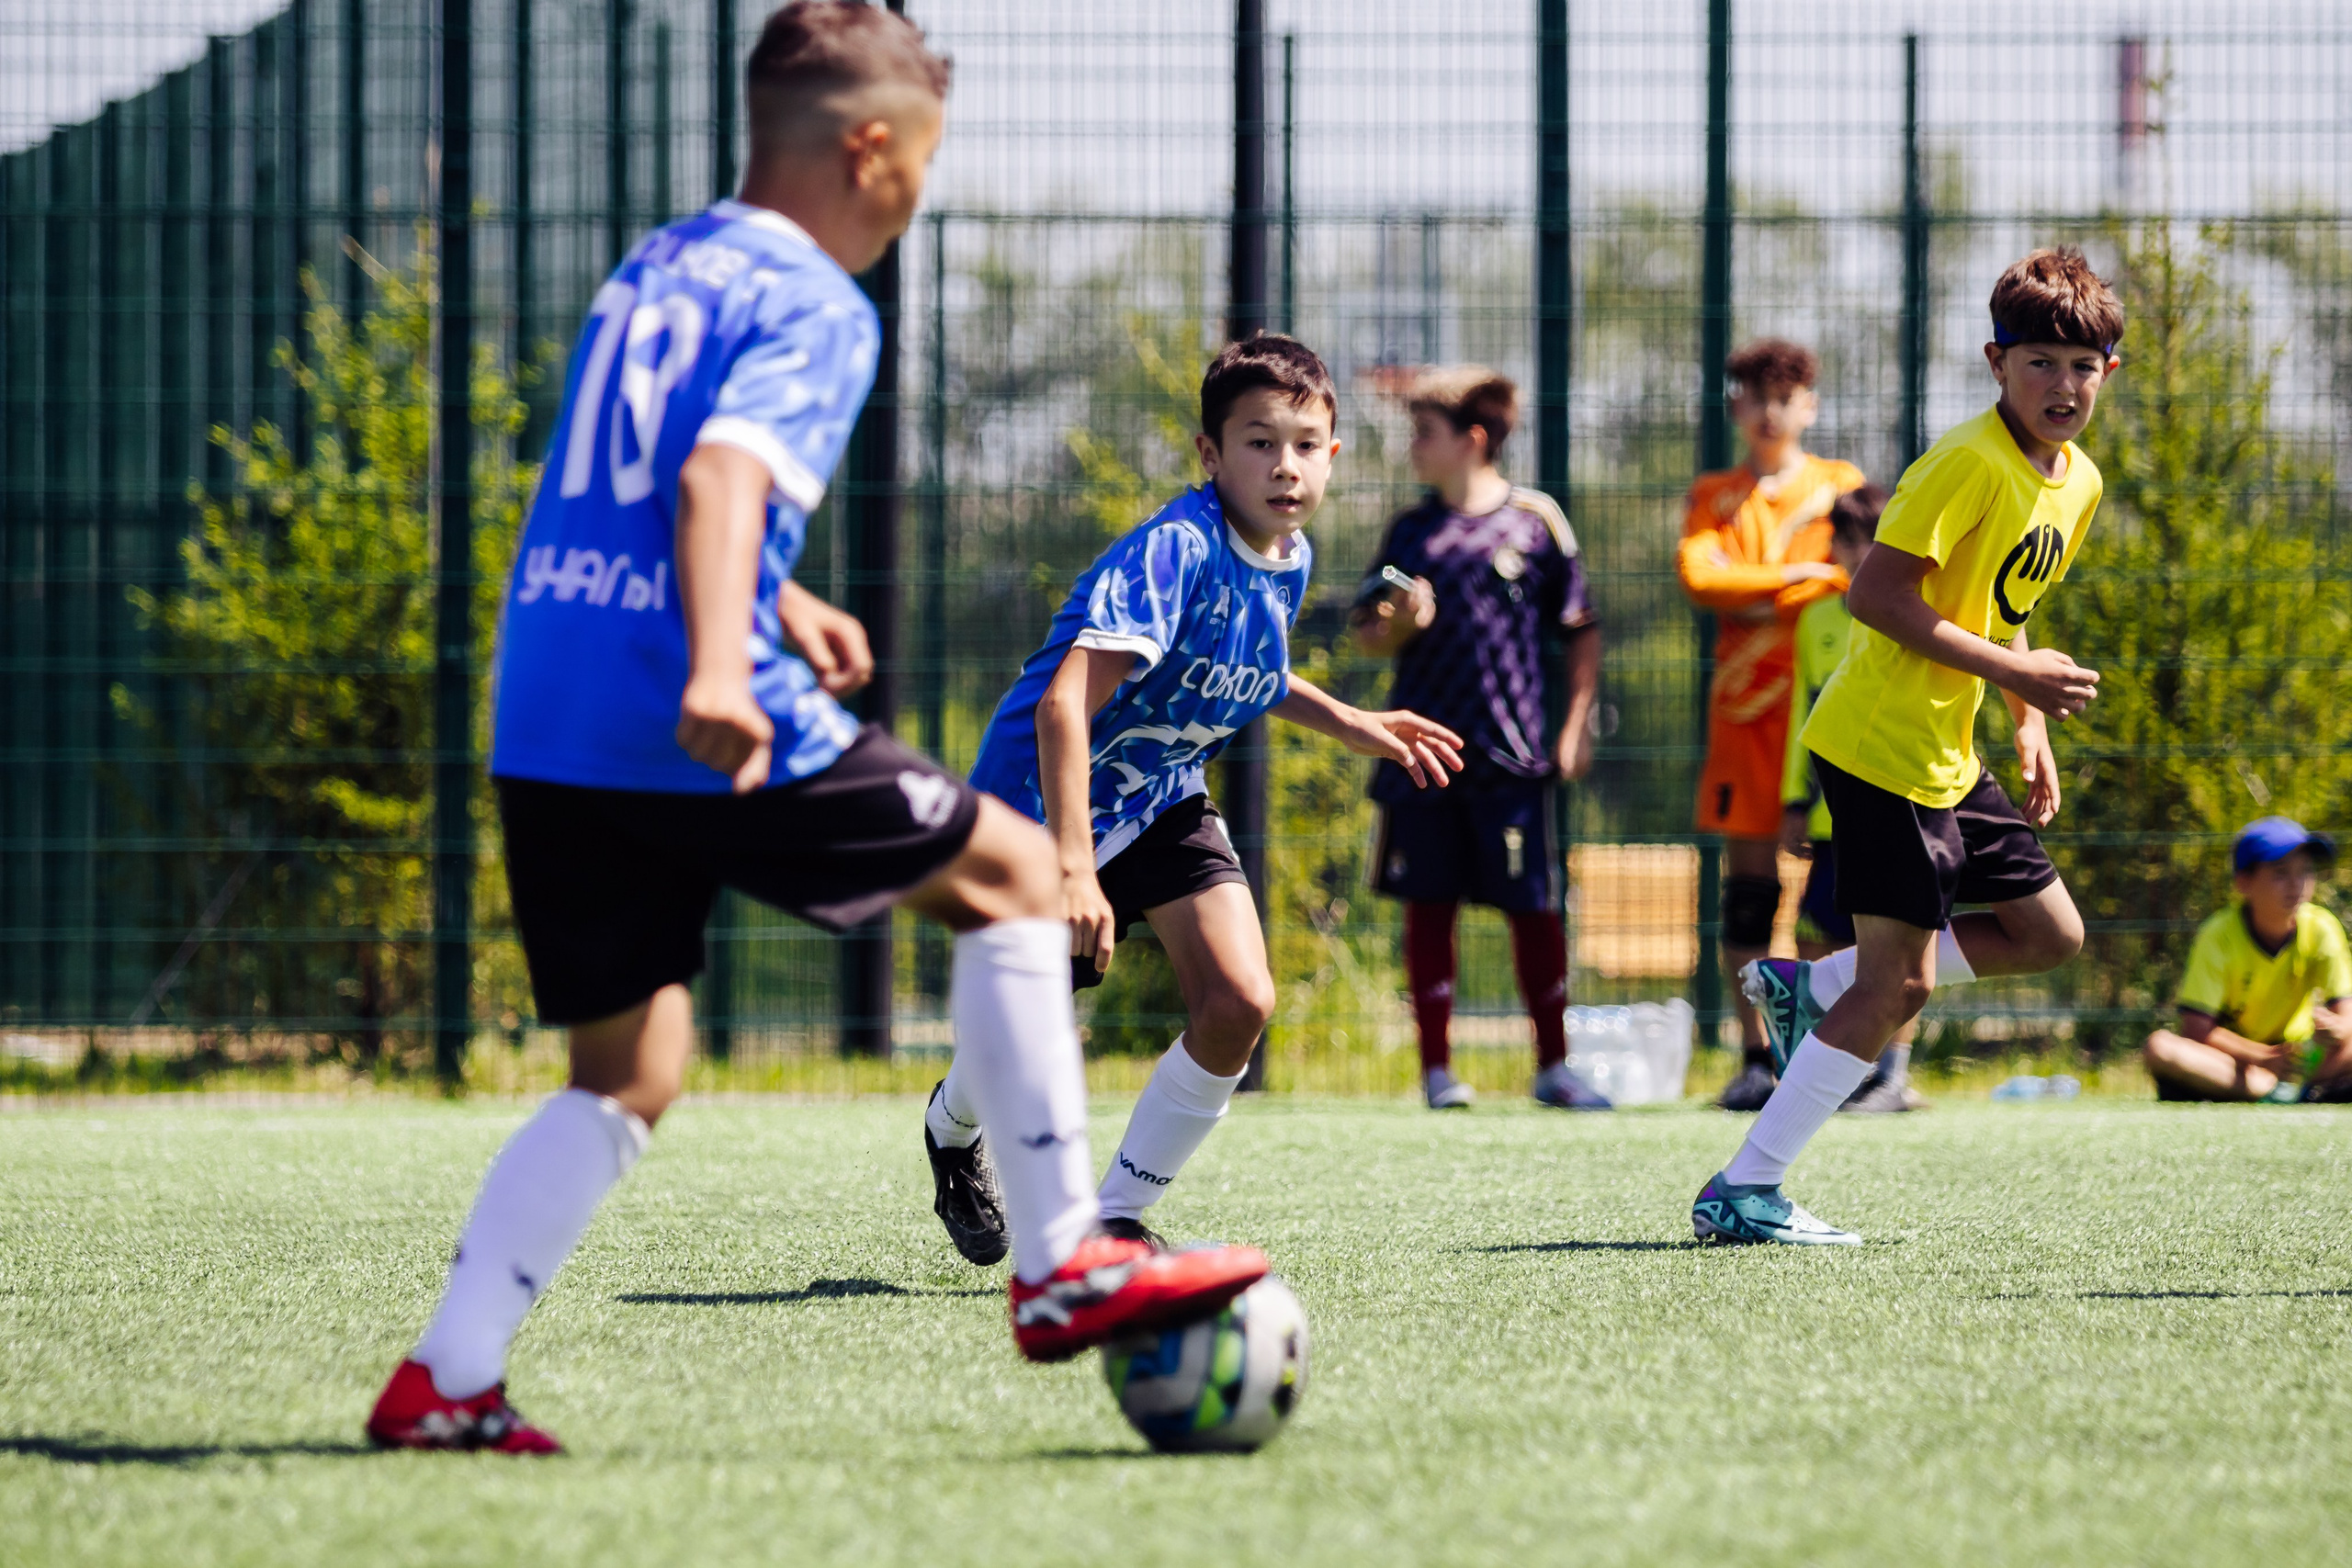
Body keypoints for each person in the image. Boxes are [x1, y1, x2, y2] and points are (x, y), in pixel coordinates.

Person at [364, 3, 1268, 1454]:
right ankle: (1063, 1262)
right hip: (682, 700)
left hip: (547, 704)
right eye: (923, 164)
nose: (916, 196)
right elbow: (719, 478)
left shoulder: (662, 263)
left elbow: (648, 473)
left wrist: (775, 598)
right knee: (1020, 876)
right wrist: (729, 660)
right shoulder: (821, 302)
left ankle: (447, 1374)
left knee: (628, 1070)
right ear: (867, 150)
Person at [920, 333, 1464, 1257]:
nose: (1284, 465)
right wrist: (1073, 868)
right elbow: (1061, 707)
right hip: (1039, 813)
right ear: (1211, 454)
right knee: (1022, 1032)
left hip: (1162, 798)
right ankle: (949, 1126)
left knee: (1239, 1000)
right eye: (1259, 442)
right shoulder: (1174, 550)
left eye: (1305, 444)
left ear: (1332, 456)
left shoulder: (1288, 556)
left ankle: (1115, 1216)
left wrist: (1354, 721)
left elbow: (1251, 671)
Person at [1702, 247, 2120, 1246]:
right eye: (2040, 363)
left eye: (2082, 366)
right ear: (1996, 362)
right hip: (1880, 746)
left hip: (1947, 750)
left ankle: (1811, 987)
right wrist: (2018, 676)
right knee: (1898, 985)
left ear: (2110, 372)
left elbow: (2003, 603)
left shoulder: (2077, 482)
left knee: (2049, 933)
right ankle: (1744, 1187)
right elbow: (1875, 597)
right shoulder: (1966, 462)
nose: (2062, 386)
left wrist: (2024, 720)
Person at [1349, 367, 1604, 1111]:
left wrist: (1575, 726)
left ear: (1474, 438)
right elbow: (1367, 633)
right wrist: (1400, 625)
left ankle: (1554, 1067)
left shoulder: (1535, 521)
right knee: (1428, 904)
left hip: (1512, 757)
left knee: (1534, 906)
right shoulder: (1410, 530)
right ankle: (1437, 1073)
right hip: (1422, 755)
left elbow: (1581, 629)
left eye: (1425, 432)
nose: (1412, 446)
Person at [1677, 339, 1867, 1111]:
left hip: (1831, 710)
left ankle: (1844, 1055)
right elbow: (1700, 577)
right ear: (1736, 405)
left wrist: (1752, 592)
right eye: (1755, 396)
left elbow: (1855, 576)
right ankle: (1757, 1055)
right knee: (1751, 894)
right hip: (1746, 721)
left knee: (1847, 891)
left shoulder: (1840, 486)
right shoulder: (1714, 494)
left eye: (1784, 398)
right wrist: (1800, 577)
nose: (1769, 412)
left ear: (1808, 407)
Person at [1776, 483, 1920, 1113]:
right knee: (1817, 938)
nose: (1861, 553)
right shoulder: (1816, 620)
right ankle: (1827, 1069)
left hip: (1903, 802)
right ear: (1833, 546)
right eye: (1849, 540)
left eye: (1873, 540)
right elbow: (1803, 714)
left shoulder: (1915, 611)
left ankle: (1891, 1076)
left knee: (1905, 945)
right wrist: (1794, 800)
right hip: (1833, 815)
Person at [2143, 818, 2352, 1103]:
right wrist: (2265, 1058)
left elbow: (2347, 1017)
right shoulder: (2217, 934)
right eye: (2281, 873)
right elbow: (2196, 1030)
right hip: (2239, 1063)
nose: (2297, 884)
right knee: (2159, 1048)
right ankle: (2285, 1092)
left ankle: (2278, 1091)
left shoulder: (2323, 927)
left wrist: (2337, 1029)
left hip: (2302, 1063)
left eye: (2305, 871)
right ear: (2244, 882)